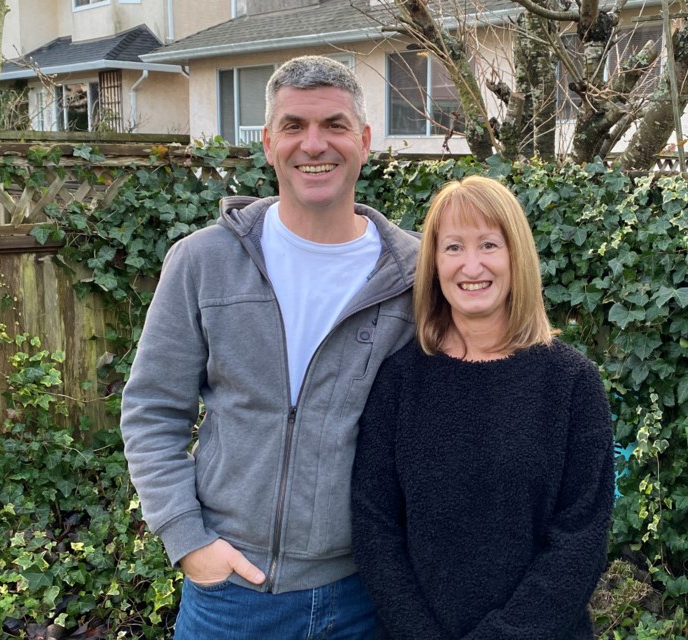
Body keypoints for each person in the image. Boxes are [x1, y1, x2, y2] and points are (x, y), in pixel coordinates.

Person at [120, 56, 420, 639]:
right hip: (232, 593)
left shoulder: (412, 273)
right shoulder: (203, 262)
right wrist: (188, 540)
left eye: (334, 125)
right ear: (267, 143)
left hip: (367, 593)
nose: (314, 145)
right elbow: (152, 411)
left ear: (363, 140)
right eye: (293, 126)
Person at [350, 175, 616, 639]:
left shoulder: (570, 382)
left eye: (489, 244)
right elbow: (375, 529)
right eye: (453, 247)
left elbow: (581, 537)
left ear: (517, 257)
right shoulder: (399, 380)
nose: (471, 265)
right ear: (433, 263)